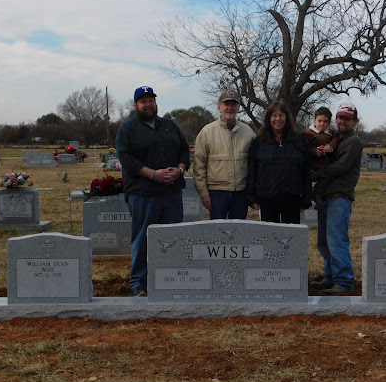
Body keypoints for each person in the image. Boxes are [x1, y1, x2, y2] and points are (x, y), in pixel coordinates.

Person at [115, 85, 190, 297]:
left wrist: (180, 170)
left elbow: (184, 150)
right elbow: (126, 158)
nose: (148, 104)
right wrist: (153, 174)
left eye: (151, 100)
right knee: (143, 238)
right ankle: (139, 281)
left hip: (171, 192)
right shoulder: (128, 129)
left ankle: (170, 277)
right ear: (136, 105)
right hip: (142, 193)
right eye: (143, 101)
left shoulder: (169, 126)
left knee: (172, 238)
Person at [311, 102, 363, 295]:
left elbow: (341, 167)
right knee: (324, 242)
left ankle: (344, 282)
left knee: (336, 241)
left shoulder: (353, 142)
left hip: (340, 197)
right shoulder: (335, 139)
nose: (342, 121)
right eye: (340, 117)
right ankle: (330, 278)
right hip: (326, 196)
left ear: (355, 121)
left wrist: (315, 174)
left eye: (347, 119)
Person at [193, 89, 256, 219]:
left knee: (238, 233)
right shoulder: (206, 132)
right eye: (226, 104)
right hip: (216, 193)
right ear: (219, 107)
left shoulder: (249, 133)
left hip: (240, 193)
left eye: (233, 104)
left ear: (238, 108)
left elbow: (255, 165)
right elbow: (199, 166)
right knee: (217, 234)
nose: (229, 108)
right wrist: (204, 194)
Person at [246, 101, 312, 223]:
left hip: (292, 199)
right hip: (267, 199)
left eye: (281, 115)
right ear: (268, 118)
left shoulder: (299, 140)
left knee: (291, 237)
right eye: (274, 115)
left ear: (286, 118)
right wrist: (252, 197)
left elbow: (306, 170)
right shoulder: (259, 142)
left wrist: (307, 197)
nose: (278, 119)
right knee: (270, 238)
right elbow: (252, 170)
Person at [303, 106, 339, 172]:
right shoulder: (307, 133)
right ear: (314, 121)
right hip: (312, 167)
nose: (322, 124)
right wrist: (315, 151)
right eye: (319, 121)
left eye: (325, 121)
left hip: (327, 166)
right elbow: (303, 149)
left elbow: (335, 140)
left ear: (329, 123)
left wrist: (330, 146)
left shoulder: (330, 133)